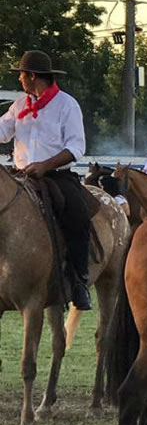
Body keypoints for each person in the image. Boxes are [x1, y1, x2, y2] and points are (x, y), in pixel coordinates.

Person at [0, 50, 92, 309]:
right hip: (21, 177)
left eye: (21, 74)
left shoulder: (67, 105)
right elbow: (2, 131)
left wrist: (45, 165)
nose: (19, 79)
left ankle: (78, 280)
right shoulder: (19, 106)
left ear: (32, 76)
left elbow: (76, 147)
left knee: (77, 215)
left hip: (56, 176)